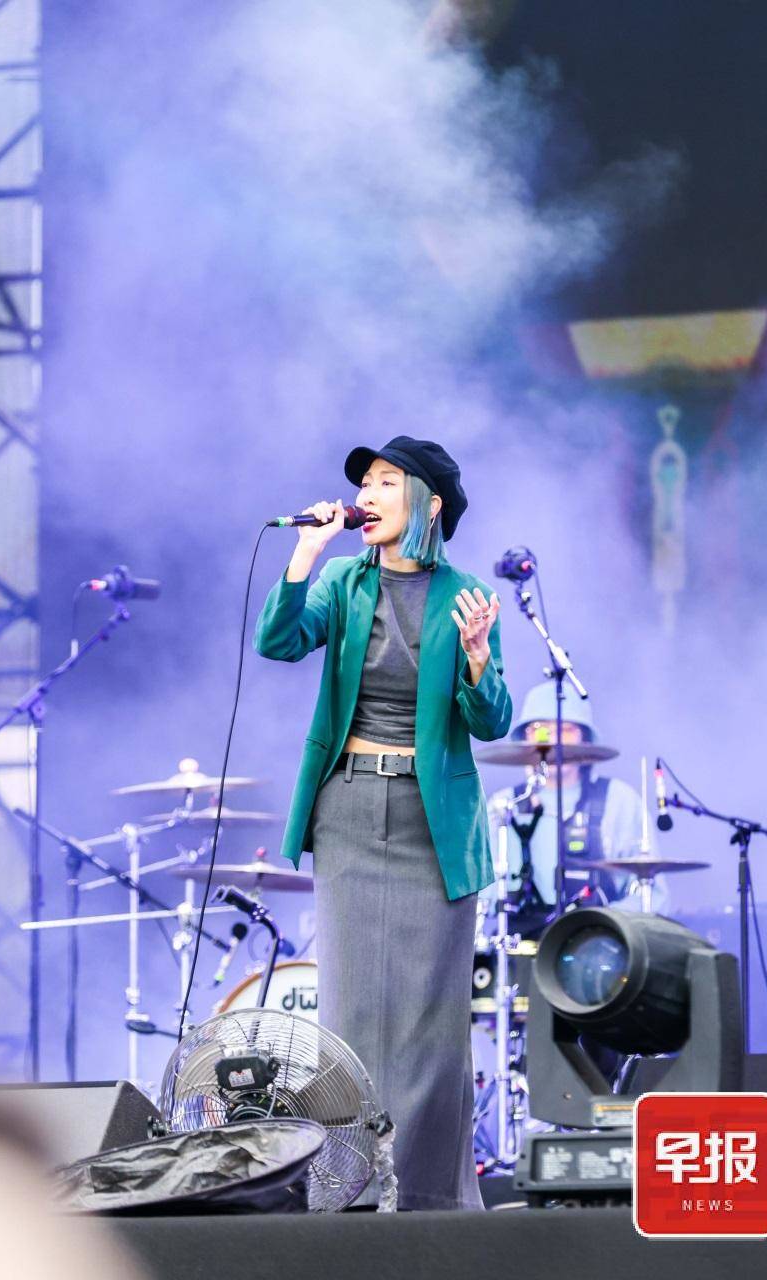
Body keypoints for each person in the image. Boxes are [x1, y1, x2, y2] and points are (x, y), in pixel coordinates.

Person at [255, 435, 512, 1210]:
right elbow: (278, 642)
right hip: (350, 811)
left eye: (385, 481)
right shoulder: (343, 580)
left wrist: (476, 659)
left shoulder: (466, 596)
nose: (366, 494)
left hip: (435, 824)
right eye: (364, 482)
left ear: (427, 503)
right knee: (351, 1014)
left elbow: (492, 719)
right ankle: (348, 1192)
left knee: (431, 1027)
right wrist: (305, 553)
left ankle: (430, 1202)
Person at [483, 682, 649, 927]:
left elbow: (651, 895)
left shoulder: (619, 801)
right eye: (540, 729)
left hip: (598, 940)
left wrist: (602, 925)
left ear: (585, 738)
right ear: (525, 738)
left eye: (566, 729)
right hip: (520, 942)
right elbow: (480, 898)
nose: (553, 738)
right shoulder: (503, 805)